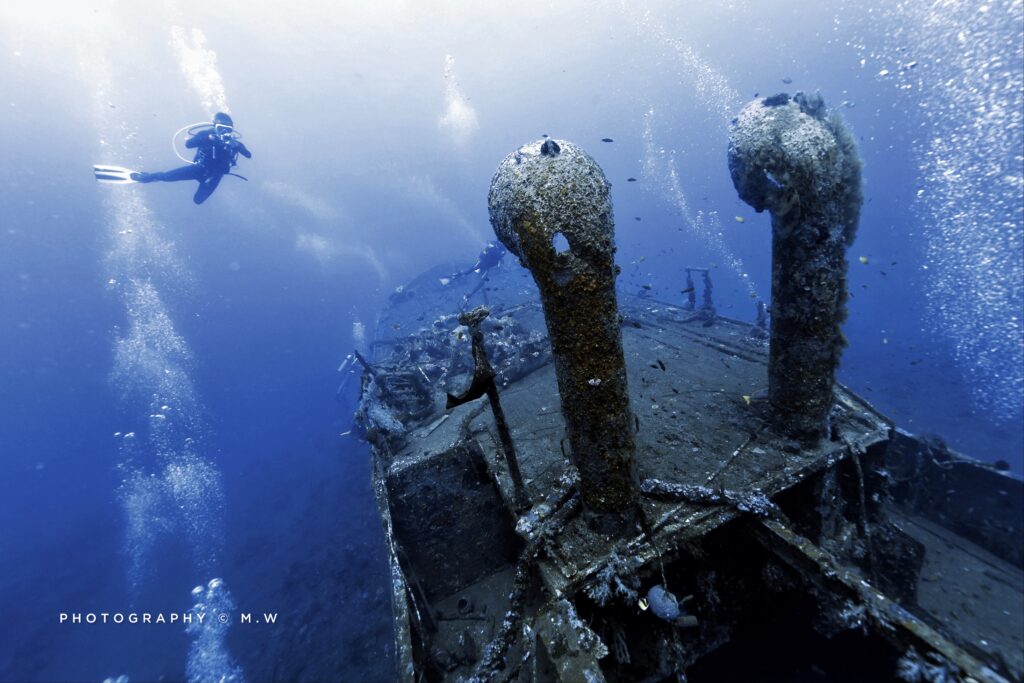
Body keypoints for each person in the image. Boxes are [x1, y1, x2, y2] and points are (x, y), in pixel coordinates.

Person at [93, 112, 252, 205]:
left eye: (227, 129)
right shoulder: (206, 134)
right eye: (221, 128)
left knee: (198, 201)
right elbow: (189, 144)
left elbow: (248, 155)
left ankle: (200, 182)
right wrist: (208, 138)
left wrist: (236, 146)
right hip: (199, 168)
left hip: (214, 175)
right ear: (214, 126)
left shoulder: (233, 142)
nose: (224, 132)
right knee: (166, 176)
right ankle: (144, 177)